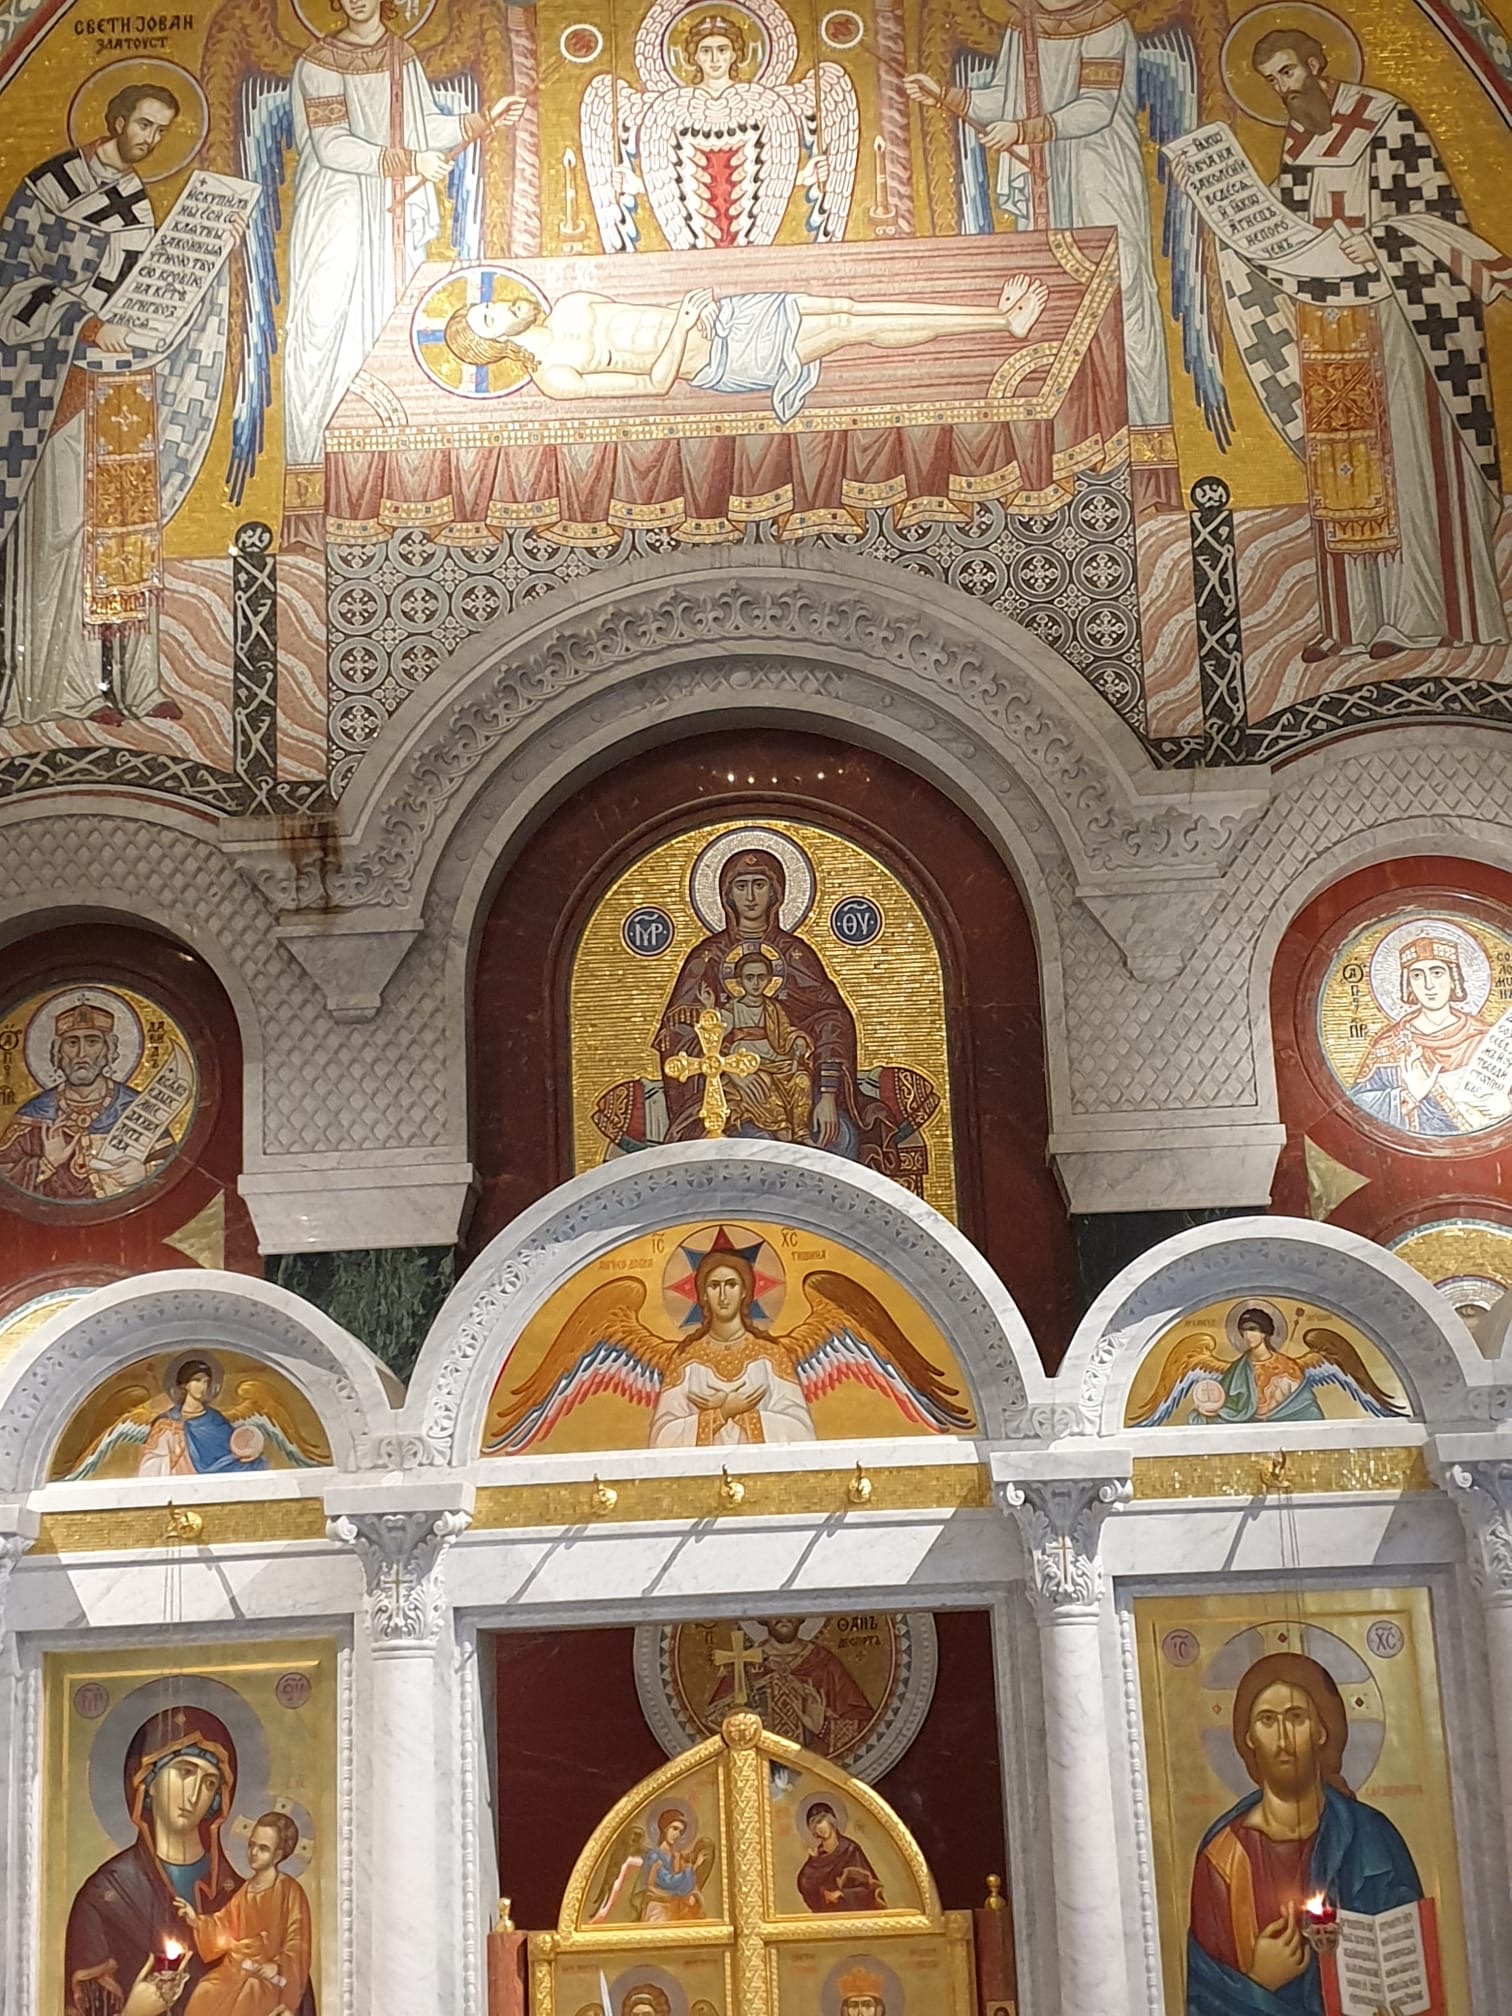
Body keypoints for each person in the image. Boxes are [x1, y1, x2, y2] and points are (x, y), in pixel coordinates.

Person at [1210, 26, 1509, 659]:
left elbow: (1437, 215)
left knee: (1407, 455)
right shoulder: (1299, 139)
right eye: (1273, 81)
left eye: (1289, 72)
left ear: (1318, 63)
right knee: (1341, 463)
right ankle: (1354, 621)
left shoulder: (1386, 120)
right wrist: (1234, 220)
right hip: (1329, 320)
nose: (1284, 89)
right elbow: (1289, 225)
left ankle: (1418, 614)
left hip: (1401, 313)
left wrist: (1375, 240)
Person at [0, 83, 228, 726]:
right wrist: (86, 324)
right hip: (55, 384)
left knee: (126, 529)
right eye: (144, 125)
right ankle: (63, 687)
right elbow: (11, 282)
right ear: (116, 120)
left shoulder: (135, 198)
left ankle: (134, 683)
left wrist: (205, 253)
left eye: (161, 130)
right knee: (63, 531)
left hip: (122, 385)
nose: (151, 140)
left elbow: (144, 289)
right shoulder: (48, 189)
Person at [280, 0, 524, 547]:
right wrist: (411, 162)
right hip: (338, 212)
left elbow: (424, 125)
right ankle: (313, 497)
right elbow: (331, 145)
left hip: (391, 216)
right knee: (323, 333)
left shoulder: (401, 55)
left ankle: (387, 496)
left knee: (384, 335)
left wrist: (484, 119)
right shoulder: (318, 61)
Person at [903, 0, 1173, 452]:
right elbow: (1006, 99)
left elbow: (1097, 108)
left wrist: (1022, 131)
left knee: (1121, 292)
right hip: (1045, 174)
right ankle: (1078, 441)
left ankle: (1146, 435)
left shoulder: (1105, 24)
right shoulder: (1023, 25)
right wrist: (945, 95)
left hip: (1099, 172)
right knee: (1057, 300)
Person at [440, 274, 1046, 424]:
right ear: (491, 344)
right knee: (849, 330)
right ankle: (1001, 325)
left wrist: (692, 308)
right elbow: (654, 385)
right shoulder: (554, 377)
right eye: (489, 316)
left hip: (726, 317)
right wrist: (684, 325)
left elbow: (647, 313)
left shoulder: (573, 302)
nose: (502, 305)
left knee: (847, 305)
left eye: (491, 303)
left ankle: (995, 315)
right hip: (723, 361)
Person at [1187, 1653, 1423, 2015]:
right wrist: (1258, 1982)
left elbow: (1411, 1967)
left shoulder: (1372, 1839)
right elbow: (1205, 1998)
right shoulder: (1223, 1858)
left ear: (1321, 1730)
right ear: (1248, 1737)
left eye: (1296, 1717)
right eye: (1267, 1720)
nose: (1282, 1739)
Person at [656, 850, 906, 1164]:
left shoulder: (795, 955)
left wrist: (827, 1094)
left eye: (759, 885)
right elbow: (678, 1034)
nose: (750, 896)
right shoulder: (707, 958)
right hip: (727, 1093)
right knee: (753, 1144)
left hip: (792, 1080)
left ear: (776, 892)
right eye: (741, 886)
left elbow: (831, 1019)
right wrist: (727, 1073)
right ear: (727, 895)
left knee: (840, 1137)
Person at [580, 10, 853, 253]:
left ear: (735, 54)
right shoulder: (667, 109)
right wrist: (635, 185)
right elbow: (666, 178)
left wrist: (805, 177)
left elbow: (772, 175)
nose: (714, 59)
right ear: (693, 57)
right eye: (706, 51)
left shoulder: (768, 105)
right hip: (688, 238)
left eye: (722, 49)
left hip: (756, 235)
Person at [65, 1707, 243, 2016]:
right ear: (148, 1781)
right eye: (184, 1772)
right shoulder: (105, 1899)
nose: (194, 1795)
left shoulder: (244, 1898)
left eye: (209, 1783)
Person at [0, 998, 162, 1203]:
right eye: (72, 1042)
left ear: (109, 1050)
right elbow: (5, 1176)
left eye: (92, 1041)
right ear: (57, 1052)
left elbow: (171, 1160)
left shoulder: (138, 1108)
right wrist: (47, 1163)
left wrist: (145, 1171)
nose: (81, 1054)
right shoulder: (35, 1113)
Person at [650, 1249, 816, 1447]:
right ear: (703, 1294)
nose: (723, 1296)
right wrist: (723, 1413)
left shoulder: (771, 1355)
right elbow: (662, 1438)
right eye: (714, 1286)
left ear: (744, 1291)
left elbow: (801, 1431)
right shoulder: (686, 1360)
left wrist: (744, 1415)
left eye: (731, 1285)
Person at [1351, 933, 1501, 1135]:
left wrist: (1506, 1106)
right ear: (1408, 984)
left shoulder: (1487, 1038)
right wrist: (1408, 1095)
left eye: (1437, 973)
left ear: (1453, 978)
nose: (1428, 985)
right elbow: (1356, 1108)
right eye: (1417, 975)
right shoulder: (1391, 1044)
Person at [176, 1812, 314, 2016]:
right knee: (205, 1990)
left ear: (277, 1855)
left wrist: (277, 1966)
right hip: (236, 1968)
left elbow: (298, 1941)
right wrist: (196, 1921)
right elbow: (224, 1925)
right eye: (251, 1845)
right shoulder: (246, 1890)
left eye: (263, 1848)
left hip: (268, 1976)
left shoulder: (289, 1890)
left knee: (251, 1991)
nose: (253, 1852)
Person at [708, 1618, 875, 1755]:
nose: (784, 1617)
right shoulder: (743, 1664)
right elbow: (713, 1731)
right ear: (763, 1618)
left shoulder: (824, 1664)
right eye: (774, 1611)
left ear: (802, 1616)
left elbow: (862, 1726)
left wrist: (823, 1726)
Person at [701, 952, 814, 1142]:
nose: (755, 983)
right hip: (745, 1061)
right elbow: (715, 1033)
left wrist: (798, 1039)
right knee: (763, 1082)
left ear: (769, 980)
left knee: (802, 1079)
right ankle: (780, 1127)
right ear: (739, 981)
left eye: (761, 977)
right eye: (750, 977)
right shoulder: (733, 1008)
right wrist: (709, 1008)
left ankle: (801, 1131)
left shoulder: (773, 1007)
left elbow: (785, 1033)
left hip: (775, 1059)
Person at [139, 1361, 271, 1479]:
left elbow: (233, 1453)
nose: (202, 1386)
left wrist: (250, 1454)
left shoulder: (215, 1420)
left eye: (206, 1381)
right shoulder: (167, 1423)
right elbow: (150, 1465)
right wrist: (172, 1455)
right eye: (197, 1380)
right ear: (185, 1384)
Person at [796, 1803, 886, 1912]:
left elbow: (869, 1890)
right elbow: (805, 1886)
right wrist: (813, 1864)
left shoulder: (850, 1850)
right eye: (814, 1825)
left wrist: (843, 1894)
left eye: (820, 1821)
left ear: (831, 1820)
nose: (819, 1827)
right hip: (828, 1915)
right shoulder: (817, 1857)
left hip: (852, 1914)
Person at [635, 1811, 707, 1923]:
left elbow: (687, 1886)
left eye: (680, 1831)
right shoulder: (654, 1856)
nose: (677, 1834)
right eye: (674, 1828)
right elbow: (667, 1882)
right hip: (658, 1908)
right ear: (665, 1829)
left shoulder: (677, 1857)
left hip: (675, 1908)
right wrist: (693, 1868)